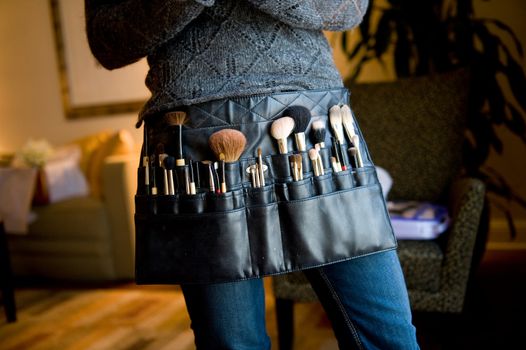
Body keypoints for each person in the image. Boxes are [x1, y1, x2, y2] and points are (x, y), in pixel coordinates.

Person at [85, 1, 419, 349]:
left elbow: (348, 8)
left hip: (317, 125)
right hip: (196, 148)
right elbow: (107, 43)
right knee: (231, 342)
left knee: (388, 337)